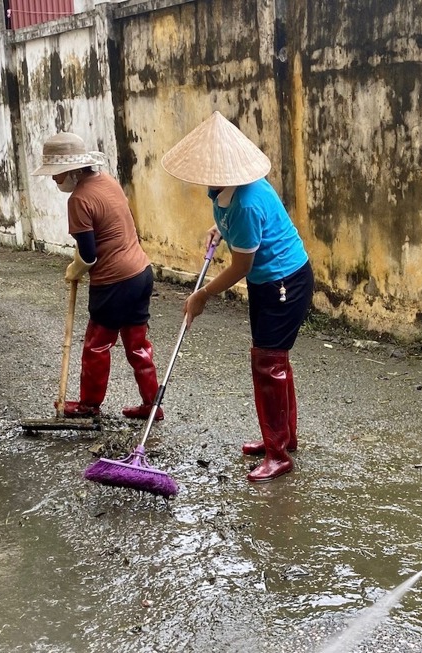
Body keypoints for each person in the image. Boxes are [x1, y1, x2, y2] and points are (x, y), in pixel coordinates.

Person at [160, 111, 314, 483]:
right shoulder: (226, 193)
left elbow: (242, 265)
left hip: (284, 284)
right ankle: (282, 438)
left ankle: (278, 454)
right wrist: (219, 228)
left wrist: (203, 294)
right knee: (272, 359)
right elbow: (242, 229)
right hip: (268, 282)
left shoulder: (245, 201)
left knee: (268, 362)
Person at [31, 132, 163, 421]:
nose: (54, 180)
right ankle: (152, 405)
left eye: (57, 173)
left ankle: (89, 405)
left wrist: (73, 271)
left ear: (74, 169)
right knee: (138, 344)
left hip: (114, 281)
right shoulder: (107, 181)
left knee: (96, 345)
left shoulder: (79, 199)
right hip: (140, 273)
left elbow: (89, 255)